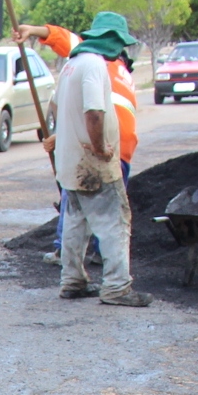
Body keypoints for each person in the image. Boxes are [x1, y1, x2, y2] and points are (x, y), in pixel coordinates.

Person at [43, 11, 152, 307]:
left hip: (70, 161)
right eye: (120, 44)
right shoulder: (93, 65)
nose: (121, 51)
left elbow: (60, 110)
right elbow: (93, 111)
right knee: (114, 221)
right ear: (113, 40)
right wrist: (100, 146)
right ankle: (117, 287)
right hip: (91, 161)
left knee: (76, 221)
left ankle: (72, 280)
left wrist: (59, 138)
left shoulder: (72, 65)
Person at [15, 16, 139, 265]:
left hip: (101, 145)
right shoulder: (114, 68)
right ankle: (98, 255)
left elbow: (95, 113)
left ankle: (73, 256)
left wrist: (64, 138)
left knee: (78, 204)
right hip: (114, 147)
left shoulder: (89, 62)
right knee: (103, 208)